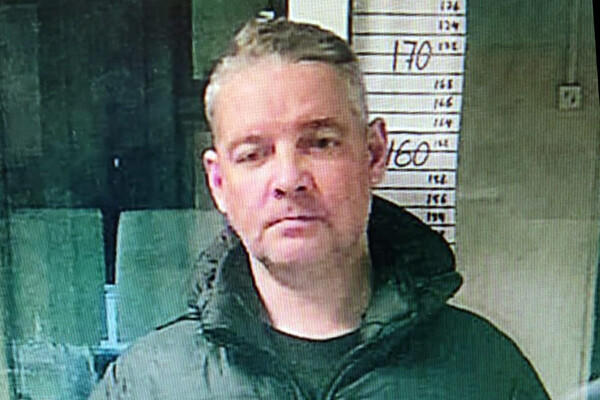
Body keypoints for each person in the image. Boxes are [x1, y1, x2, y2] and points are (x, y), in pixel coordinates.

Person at [89, 18, 550, 400]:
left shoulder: (486, 375)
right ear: (219, 183)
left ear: (373, 154)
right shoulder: (147, 386)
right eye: (254, 153)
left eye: (321, 143)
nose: (289, 179)